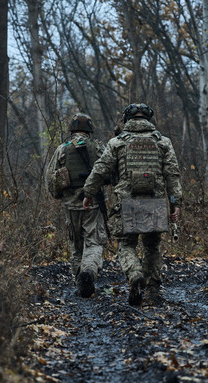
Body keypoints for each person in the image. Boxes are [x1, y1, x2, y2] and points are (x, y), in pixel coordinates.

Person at [82, 103, 182, 306]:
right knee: (152, 246)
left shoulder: (117, 142)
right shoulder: (163, 142)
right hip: (154, 202)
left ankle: (135, 275)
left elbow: (100, 170)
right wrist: (175, 203)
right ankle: (152, 291)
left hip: (126, 203)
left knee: (126, 245)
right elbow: (172, 174)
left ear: (127, 119)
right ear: (149, 119)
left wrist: (88, 193)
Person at [46, 113, 109, 298]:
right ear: (90, 129)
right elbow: (108, 170)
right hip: (93, 201)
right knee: (94, 241)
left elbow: (51, 177)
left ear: (72, 129)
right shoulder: (97, 147)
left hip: (70, 203)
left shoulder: (62, 149)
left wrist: (58, 195)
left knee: (76, 244)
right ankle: (88, 271)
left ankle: (79, 281)